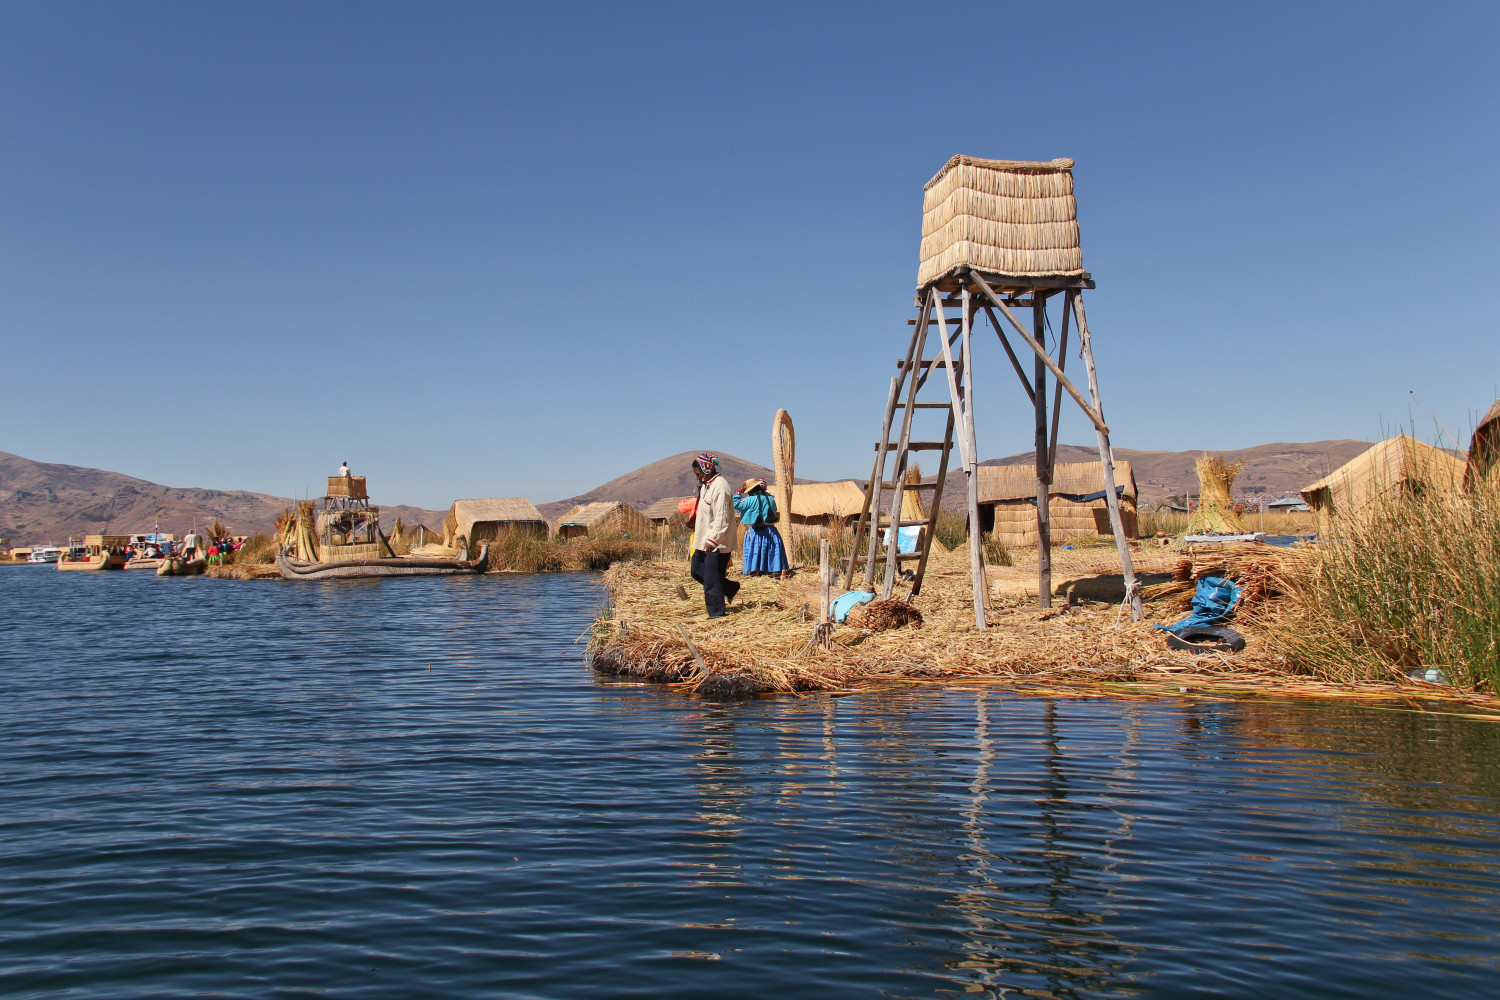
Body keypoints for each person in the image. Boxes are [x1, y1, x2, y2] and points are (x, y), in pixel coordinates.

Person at [689, 453, 739, 618]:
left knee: (711, 581)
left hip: (717, 542)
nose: (697, 477)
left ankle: (716, 614)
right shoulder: (706, 485)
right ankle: (730, 588)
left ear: (707, 469)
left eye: (698, 474)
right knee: (696, 570)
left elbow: (722, 518)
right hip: (703, 539)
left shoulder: (720, 488)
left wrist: (713, 539)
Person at [734, 477, 789, 580]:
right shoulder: (771, 499)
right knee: (772, 550)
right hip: (771, 530)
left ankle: (755, 571)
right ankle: (773, 570)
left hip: (756, 531)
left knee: (755, 550)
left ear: (750, 491)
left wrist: (739, 491)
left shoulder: (749, 500)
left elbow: (735, 504)